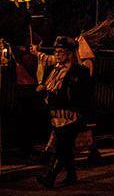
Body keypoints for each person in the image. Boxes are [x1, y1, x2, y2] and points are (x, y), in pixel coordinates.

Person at [35, 37, 91, 188]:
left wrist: (82, 114)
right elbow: (50, 87)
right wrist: (43, 90)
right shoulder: (55, 69)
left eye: (61, 52)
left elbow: (82, 95)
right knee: (65, 148)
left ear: (69, 53)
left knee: (61, 147)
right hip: (56, 115)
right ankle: (72, 176)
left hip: (70, 115)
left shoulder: (79, 71)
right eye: (56, 52)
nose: (58, 55)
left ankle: (50, 177)